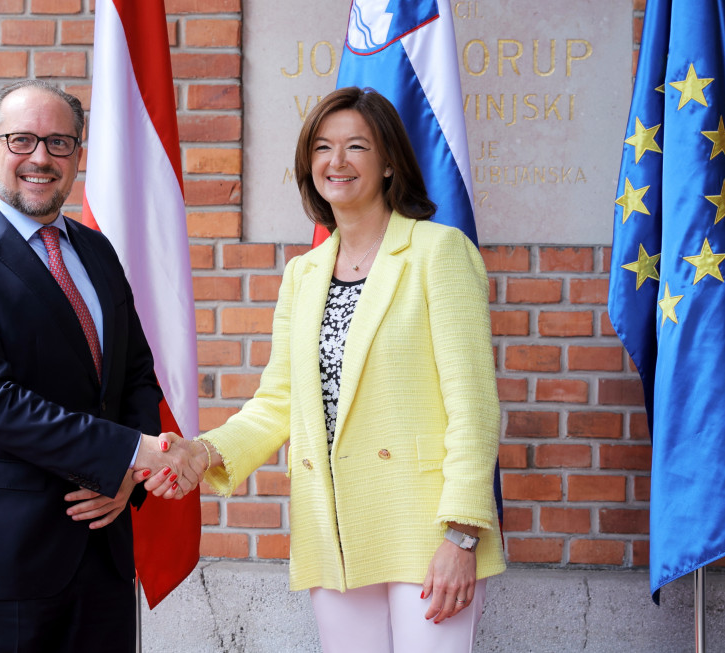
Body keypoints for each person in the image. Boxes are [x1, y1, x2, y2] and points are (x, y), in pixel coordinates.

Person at [149, 87, 506, 652]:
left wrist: (462, 536)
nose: (335, 162)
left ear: (389, 162)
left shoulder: (439, 251)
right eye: (322, 147)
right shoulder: (304, 273)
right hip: (333, 527)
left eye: (356, 146)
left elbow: (474, 404)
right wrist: (202, 451)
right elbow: (277, 403)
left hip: (427, 527)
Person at [0, 79, 200, 653]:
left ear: (77, 157)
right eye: (21, 140)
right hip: (3, 556)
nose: (41, 157)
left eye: (59, 143)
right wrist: (125, 453)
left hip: (102, 542)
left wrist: (125, 476)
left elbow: (135, 373)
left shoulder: (95, 250)